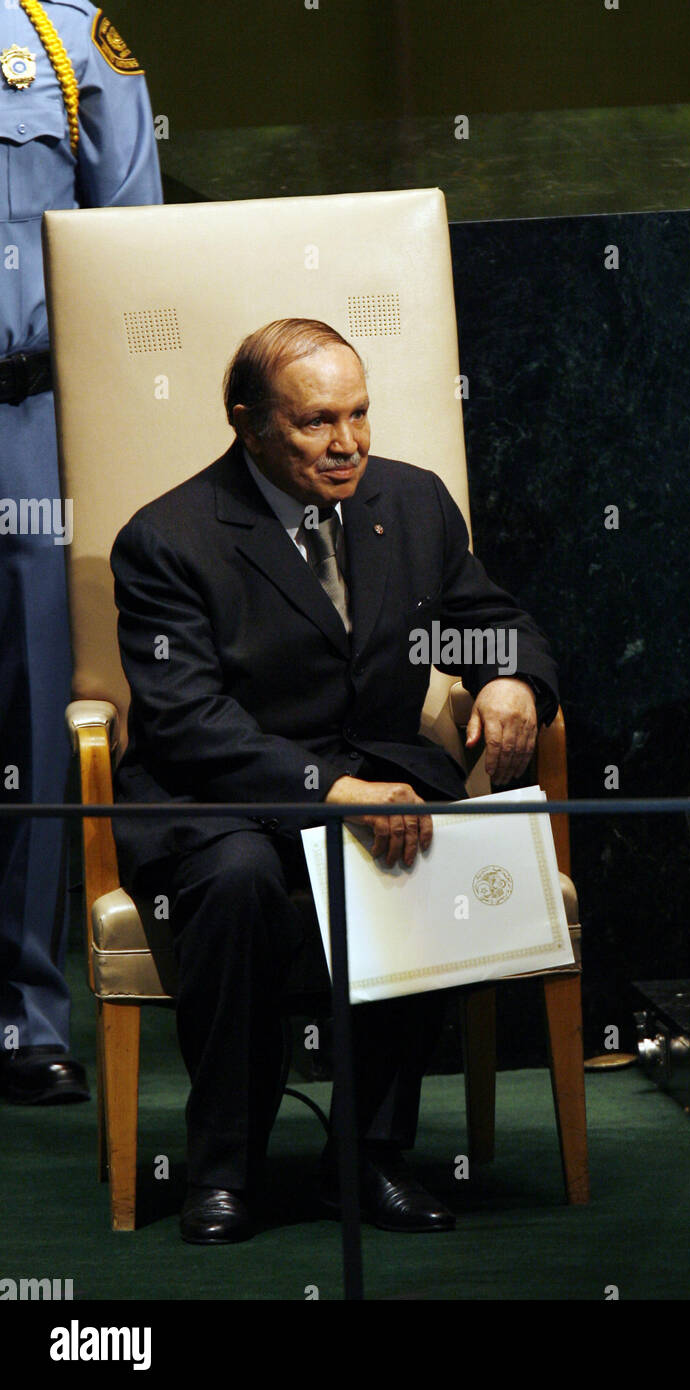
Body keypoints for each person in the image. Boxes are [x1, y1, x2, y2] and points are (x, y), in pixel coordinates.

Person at [110, 318, 560, 1244]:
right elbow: (189, 724)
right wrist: (329, 792)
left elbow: (487, 618)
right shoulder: (168, 539)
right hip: (219, 798)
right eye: (317, 422)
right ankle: (223, 1168)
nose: (349, 442)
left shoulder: (416, 500)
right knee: (238, 882)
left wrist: (511, 676)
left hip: (380, 777)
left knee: (428, 851)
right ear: (248, 423)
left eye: (359, 414)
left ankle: (368, 1157)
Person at [0, 1, 161, 1104]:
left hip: (27, 424)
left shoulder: (60, 38)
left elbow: (132, 249)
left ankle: (24, 1010)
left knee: (38, 723)